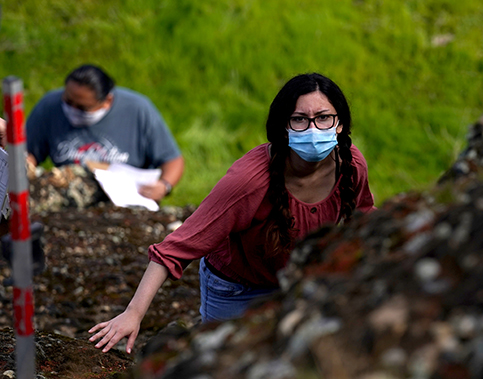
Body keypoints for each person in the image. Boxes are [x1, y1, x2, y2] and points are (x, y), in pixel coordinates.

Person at [89, 72, 376, 354]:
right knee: (227, 373)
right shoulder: (248, 182)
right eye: (299, 120)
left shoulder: (351, 166)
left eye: (324, 118)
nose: (313, 130)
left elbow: (365, 219)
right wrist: (133, 313)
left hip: (298, 282)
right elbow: (177, 248)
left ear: (340, 124)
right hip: (237, 290)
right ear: (283, 127)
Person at [25, 64, 184, 202]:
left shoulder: (138, 110)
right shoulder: (49, 106)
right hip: (70, 196)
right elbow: (28, 153)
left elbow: (172, 160)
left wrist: (164, 185)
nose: (72, 110)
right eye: (67, 101)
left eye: (82, 108)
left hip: (125, 200)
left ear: (107, 101)